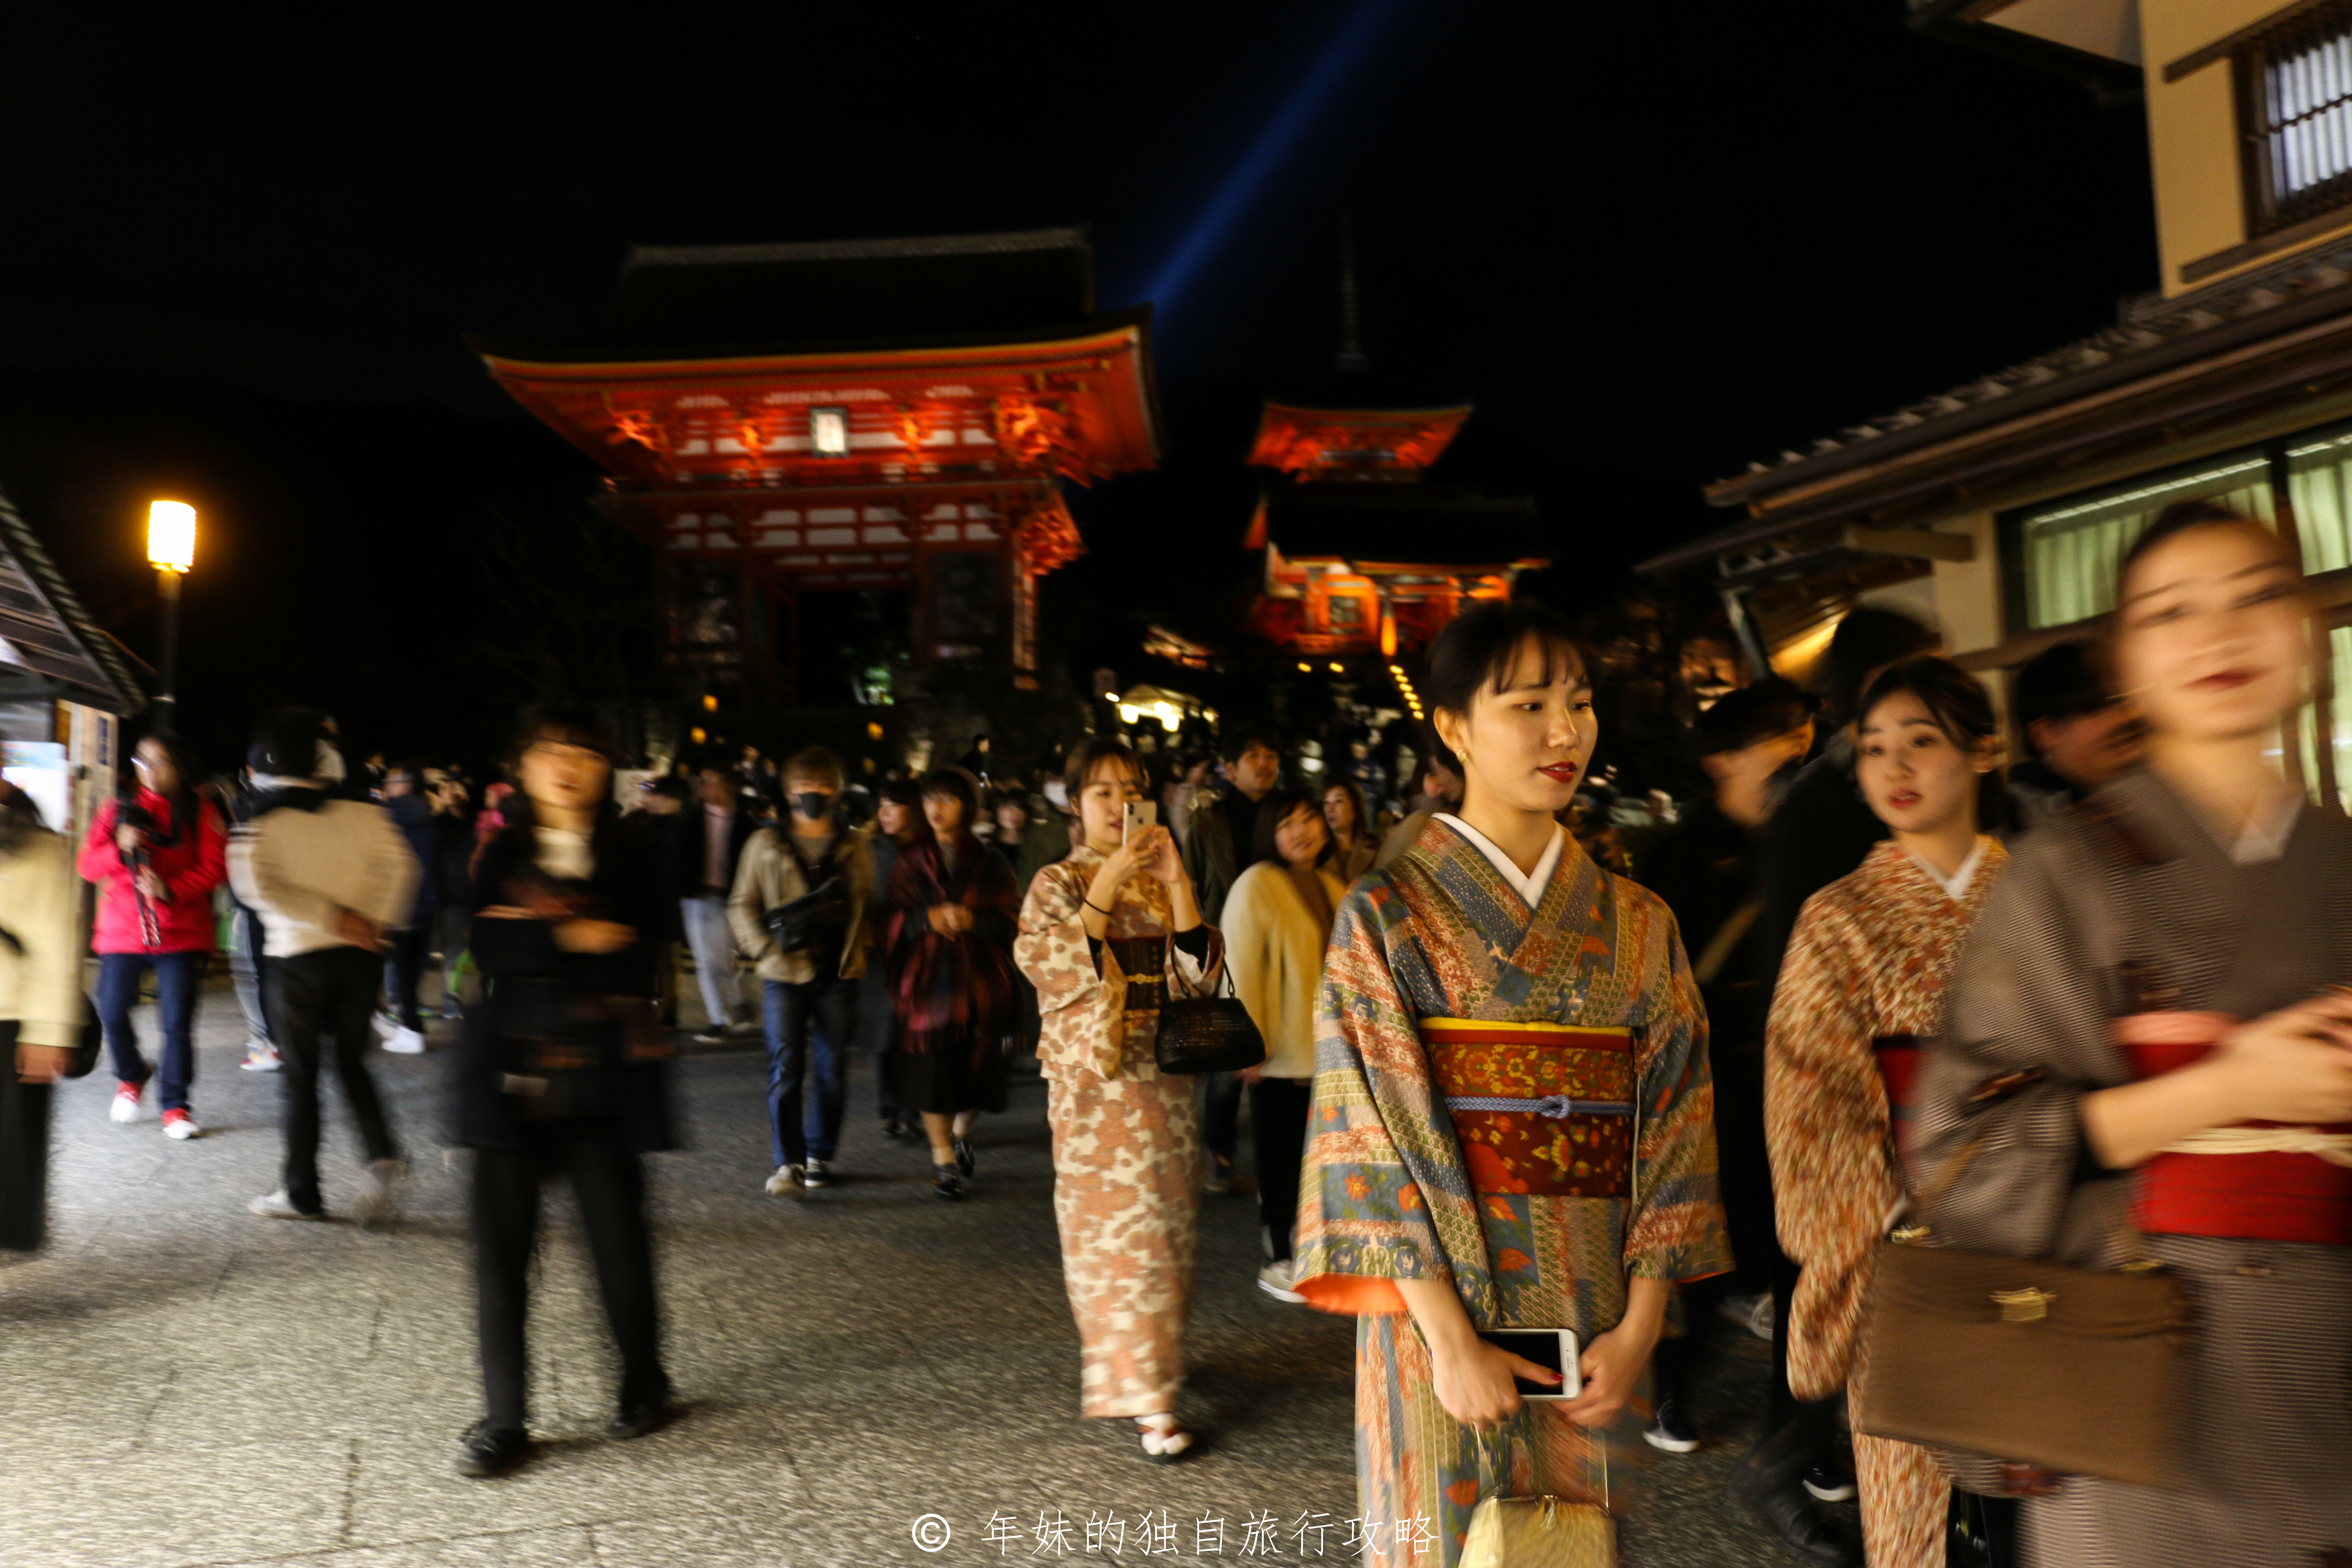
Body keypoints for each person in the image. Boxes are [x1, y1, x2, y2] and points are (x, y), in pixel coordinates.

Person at [1918, 500, 2352, 1567]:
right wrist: (2214, 1093)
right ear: (2127, 663)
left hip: (2327, 1376)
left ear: (2306, 633)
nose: (2217, 634)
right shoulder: (2068, 870)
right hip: (2133, 1377)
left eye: (2257, 598)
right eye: (2171, 613)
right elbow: (1954, 1145)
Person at [1290, 600, 1730, 1567]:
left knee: (1576, 1545)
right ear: (1452, 728)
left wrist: (1644, 1323)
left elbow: (1676, 1126)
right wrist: (1449, 1339)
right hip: (1438, 1317)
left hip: (1598, 1316)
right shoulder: (1388, 916)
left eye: (1577, 702)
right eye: (1528, 704)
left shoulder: (1639, 920)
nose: (1564, 730)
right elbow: (1367, 1131)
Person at [1765, 657, 2008, 1567]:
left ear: (1986, 752)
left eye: (1922, 741)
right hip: (1898, 1255)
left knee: (2057, 1489)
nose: (1894, 768)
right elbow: (1812, 1113)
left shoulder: (2046, 899)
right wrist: (1896, 1232)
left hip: (2040, 1243)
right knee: (1912, 1517)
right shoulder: (1839, 919)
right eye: (1873, 750)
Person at [453, 713, 675, 1478]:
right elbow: (483, 940)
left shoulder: (634, 850)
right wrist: (572, 938)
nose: (568, 766)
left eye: (585, 752)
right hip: (506, 1072)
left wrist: (544, 937)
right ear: (524, 765)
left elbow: (640, 945)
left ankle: (644, 1379)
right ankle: (505, 1416)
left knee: (618, 1238)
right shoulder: (499, 848)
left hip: (604, 1071)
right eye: (552, 752)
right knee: (500, 1253)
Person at [1014, 736, 1218, 1461]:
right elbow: (1044, 960)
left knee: (1167, 1234)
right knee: (1110, 1242)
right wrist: (1109, 881)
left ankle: (1154, 1367)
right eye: (1101, 792)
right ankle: (1149, 1396)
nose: (1117, 805)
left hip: (1164, 1085)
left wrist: (1177, 881)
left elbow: (1203, 977)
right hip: (1096, 1092)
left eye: (1131, 791)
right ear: (1074, 804)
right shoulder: (1056, 880)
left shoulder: (1161, 880)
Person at [1636, 677, 1815, 1464]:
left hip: (1797, 1086)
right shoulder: (1673, 858)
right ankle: (1671, 1384)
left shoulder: (1817, 840)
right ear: (1721, 760)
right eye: (1774, 736)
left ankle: (1799, 1430)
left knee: (1805, 1262)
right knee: (1699, 1257)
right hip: (1708, 1091)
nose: (1794, 750)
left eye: (1799, 735)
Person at [228, 708, 420, 1224]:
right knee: (353, 1063)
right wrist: (370, 923)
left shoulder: (259, 820)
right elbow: (403, 868)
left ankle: (301, 1192)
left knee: (301, 1076)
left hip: (295, 963)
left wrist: (330, 917)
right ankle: (381, 1155)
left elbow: (255, 887)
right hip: (360, 961)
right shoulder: (366, 811)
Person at [729, 746, 874, 1195]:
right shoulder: (765, 843)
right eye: (805, 786)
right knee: (785, 1068)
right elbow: (741, 904)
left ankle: (820, 1155)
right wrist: (765, 948)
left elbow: (868, 904)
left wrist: (862, 948)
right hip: (784, 974)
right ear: (789, 791)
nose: (814, 793)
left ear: (837, 790)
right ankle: (787, 1163)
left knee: (832, 1071)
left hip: (838, 972)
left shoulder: (854, 845)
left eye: (824, 785)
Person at [1220, 786, 1343, 1303]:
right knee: (1279, 1155)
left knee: (1318, 1158)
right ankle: (1276, 1256)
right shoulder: (1257, 884)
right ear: (1269, 833)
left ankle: (1310, 1248)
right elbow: (1242, 966)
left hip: (1330, 1054)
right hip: (1279, 1052)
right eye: (1287, 821)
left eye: (1310, 818)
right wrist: (1246, 1043)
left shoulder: (1335, 886)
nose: (1301, 830)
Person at [80, 735, 227, 1140]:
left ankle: (176, 1106)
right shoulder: (118, 810)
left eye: (161, 762)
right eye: (143, 761)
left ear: (180, 767)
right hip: (123, 930)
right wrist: (117, 847)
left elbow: (216, 867)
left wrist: (172, 889)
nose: (150, 769)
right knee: (110, 1010)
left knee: (177, 1022)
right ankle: (133, 1074)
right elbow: (88, 866)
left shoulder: (203, 811)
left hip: (181, 933)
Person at [885, 769, 1020, 1197]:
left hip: (981, 982)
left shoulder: (991, 861)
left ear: (967, 805)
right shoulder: (909, 861)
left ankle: (963, 1129)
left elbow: (1014, 919)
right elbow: (888, 919)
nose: (937, 809)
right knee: (930, 1067)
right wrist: (925, 919)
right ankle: (943, 1157)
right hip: (927, 984)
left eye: (948, 799)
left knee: (977, 1065)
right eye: (930, 799)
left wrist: (974, 920)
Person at [1179, 726, 1282, 1195]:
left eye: (1271, 754)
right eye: (1254, 755)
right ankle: (1220, 1153)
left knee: (1277, 1055)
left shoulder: (1286, 813)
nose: (1265, 762)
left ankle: (1273, 1161)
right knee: (1227, 1058)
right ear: (1231, 768)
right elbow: (1192, 884)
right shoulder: (1210, 820)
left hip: (1278, 944)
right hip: (1229, 944)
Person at [0, 781, 92, 1256]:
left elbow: (57, 946)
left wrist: (50, 1030)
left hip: (11, 1018)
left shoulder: (39, 848)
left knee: (10, 1154)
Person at [2005, 638, 2141, 830]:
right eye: (2097, 709)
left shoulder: (2152, 797)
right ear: (2044, 735)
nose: (2127, 717)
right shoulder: (2016, 825)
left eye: (2126, 702)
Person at [674, 764, 754, 1043]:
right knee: (707, 961)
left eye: (711, 780)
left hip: (731, 899)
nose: (704, 786)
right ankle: (718, 1019)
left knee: (724, 958)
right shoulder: (691, 819)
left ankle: (739, 1004)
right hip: (697, 899)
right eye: (702, 780)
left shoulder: (744, 824)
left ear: (728, 785)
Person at [861, 779, 923, 1142]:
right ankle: (889, 1108)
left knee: (915, 1033)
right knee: (886, 1034)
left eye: (893, 805)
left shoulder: (927, 851)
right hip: (882, 954)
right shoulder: (870, 850)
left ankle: (912, 1108)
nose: (883, 813)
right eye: (881, 805)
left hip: (919, 950)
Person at [377, 765, 437, 1055]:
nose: (387, 787)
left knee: (398, 969)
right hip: (427, 901)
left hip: (400, 901)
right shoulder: (429, 814)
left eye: (390, 782)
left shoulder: (386, 815)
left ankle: (410, 1030)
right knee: (412, 969)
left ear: (404, 785)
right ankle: (410, 1027)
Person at [227, 760, 282, 1072]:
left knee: (250, 974)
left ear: (249, 771)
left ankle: (265, 1045)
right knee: (273, 971)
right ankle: (275, 1042)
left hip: (251, 902)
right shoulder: (293, 804)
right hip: (284, 903)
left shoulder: (245, 802)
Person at [429, 775, 477, 1021]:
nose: (451, 793)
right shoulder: (437, 823)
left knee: (462, 953)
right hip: (444, 896)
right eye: (445, 789)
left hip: (469, 896)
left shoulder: (477, 823)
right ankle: (449, 1003)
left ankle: (457, 1002)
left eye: (455, 788)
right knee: (449, 952)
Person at [1372, 750, 1463, 870]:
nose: (1441, 780)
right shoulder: (1418, 822)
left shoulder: (1445, 815)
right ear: (1420, 779)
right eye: (1433, 774)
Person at [1321, 778, 1377, 884]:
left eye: (1339, 801)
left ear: (1355, 808)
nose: (1330, 809)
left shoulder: (1375, 847)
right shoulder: (1318, 850)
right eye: (1327, 803)